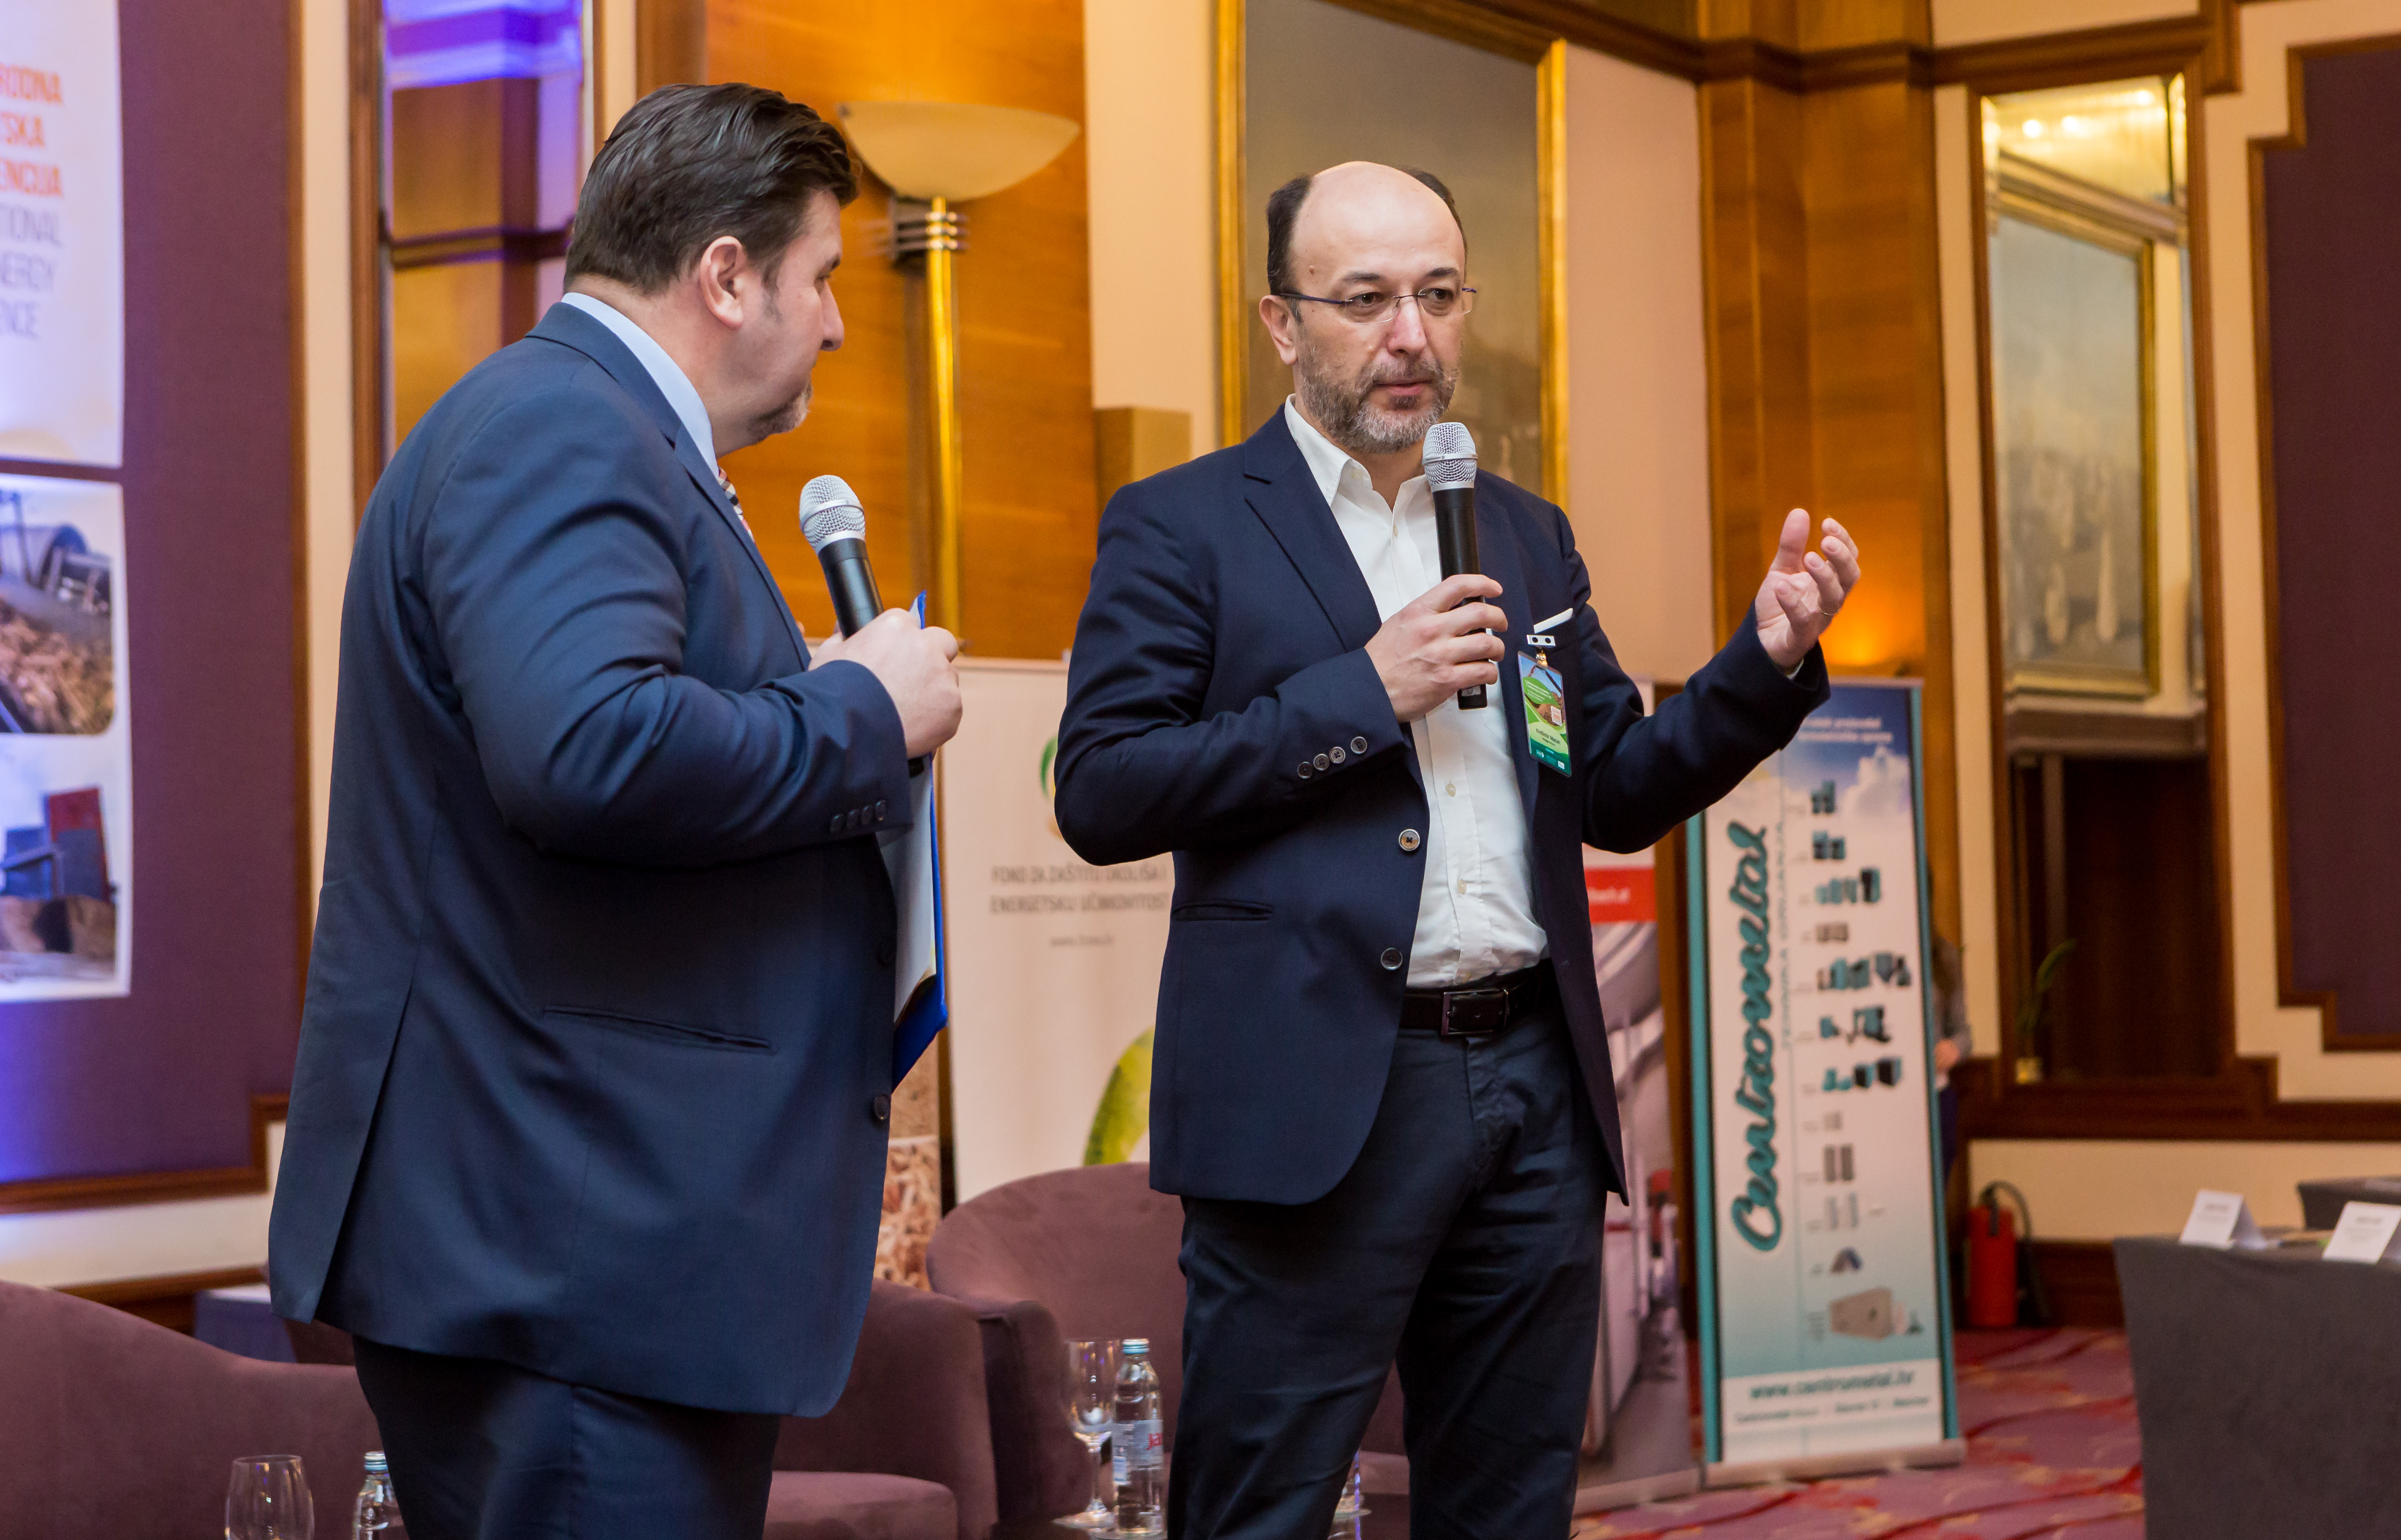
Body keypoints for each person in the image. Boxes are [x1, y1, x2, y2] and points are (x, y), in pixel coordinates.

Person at [1054, 162, 1861, 1539]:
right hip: (1320, 1095)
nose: (1409, 334)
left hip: (1530, 1087)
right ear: (1280, 322)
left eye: (1436, 295)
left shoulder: (1521, 532)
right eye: (1365, 299)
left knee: (1509, 1507)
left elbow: (1609, 787)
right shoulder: (1184, 525)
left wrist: (1761, 664)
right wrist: (1362, 692)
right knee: (1260, 1507)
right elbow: (1103, 788)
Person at [267, 84, 962, 1540]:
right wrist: (856, 711)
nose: (837, 322)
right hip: (572, 1249)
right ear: (726, 275)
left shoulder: (585, 425)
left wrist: (803, 700)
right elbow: (585, 746)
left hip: (590, 1242)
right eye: (822, 276)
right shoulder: (564, 428)